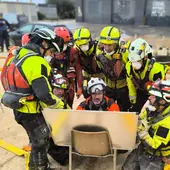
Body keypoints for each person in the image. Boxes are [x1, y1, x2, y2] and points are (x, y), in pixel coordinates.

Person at [1, 28, 65, 170]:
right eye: (50, 51)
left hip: (18, 109)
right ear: (43, 43)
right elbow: (44, 95)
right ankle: (42, 168)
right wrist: (59, 104)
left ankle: (33, 167)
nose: (51, 55)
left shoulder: (19, 54)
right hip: (31, 112)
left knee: (36, 141)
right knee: (41, 142)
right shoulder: (36, 61)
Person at [122, 80, 170, 170]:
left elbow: (154, 146)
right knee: (127, 167)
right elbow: (139, 118)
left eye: (153, 96)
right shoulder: (154, 107)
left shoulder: (167, 123)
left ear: (163, 101)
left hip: (158, 156)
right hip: (143, 148)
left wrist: (140, 128)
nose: (149, 98)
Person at [126, 38, 170, 113]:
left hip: (159, 93)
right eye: (132, 61)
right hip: (143, 91)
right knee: (135, 110)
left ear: (145, 57)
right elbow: (130, 81)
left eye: (138, 61)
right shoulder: (129, 66)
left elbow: (160, 92)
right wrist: (133, 98)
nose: (134, 65)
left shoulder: (156, 70)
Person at [96, 26, 131, 111]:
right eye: (105, 44)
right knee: (105, 109)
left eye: (110, 45)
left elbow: (131, 73)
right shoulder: (99, 52)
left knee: (123, 111)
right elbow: (100, 68)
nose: (107, 48)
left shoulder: (125, 53)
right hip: (108, 87)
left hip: (123, 88)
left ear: (116, 43)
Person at [51, 26, 83, 108]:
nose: (64, 45)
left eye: (66, 43)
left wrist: (79, 87)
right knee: (54, 106)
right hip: (54, 86)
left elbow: (78, 69)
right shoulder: (50, 51)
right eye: (62, 43)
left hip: (69, 86)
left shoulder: (72, 52)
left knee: (68, 107)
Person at [73, 27, 104, 98]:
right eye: (80, 45)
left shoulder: (98, 47)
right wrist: (79, 87)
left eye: (84, 44)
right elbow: (77, 68)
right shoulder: (76, 49)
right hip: (87, 77)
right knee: (87, 96)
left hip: (101, 77)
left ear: (89, 40)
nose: (82, 46)